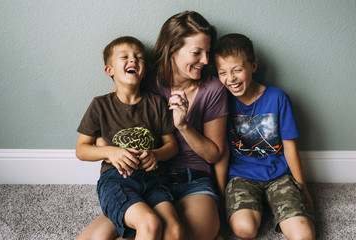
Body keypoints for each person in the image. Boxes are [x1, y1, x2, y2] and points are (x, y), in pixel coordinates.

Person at [77, 11, 228, 240]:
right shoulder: (144, 76)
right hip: (142, 177)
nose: (206, 61)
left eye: (208, 53)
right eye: (197, 53)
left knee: (176, 235)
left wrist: (183, 125)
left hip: (191, 178)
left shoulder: (213, 89)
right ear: (172, 50)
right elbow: (111, 109)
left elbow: (213, 154)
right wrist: (105, 145)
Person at [76, 36, 183, 240]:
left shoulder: (156, 103)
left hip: (154, 180)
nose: (133, 60)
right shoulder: (100, 105)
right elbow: (81, 149)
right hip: (117, 180)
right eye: (124, 57)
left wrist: (156, 154)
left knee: (175, 230)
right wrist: (110, 151)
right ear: (110, 70)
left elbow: (172, 145)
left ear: (144, 71)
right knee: (149, 222)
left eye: (139, 57)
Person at [214, 33, 315, 240]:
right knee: (244, 230)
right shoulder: (221, 101)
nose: (230, 79)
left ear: (253, 66)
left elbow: (290, 147)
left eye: (237, 70)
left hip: (278, 175)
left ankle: (275, 204)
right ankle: (261, 207)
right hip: (241, 176)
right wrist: (221, 192)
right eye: (222, 72)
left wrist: (302, 189)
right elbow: (221, 148)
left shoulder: (277, 98)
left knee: (304, 236)